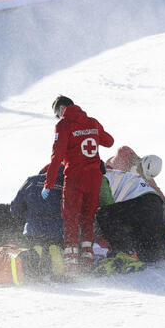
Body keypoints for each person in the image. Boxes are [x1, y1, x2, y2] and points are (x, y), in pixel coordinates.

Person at [43, 95, 114, 275]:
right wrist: (92, 132)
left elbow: (57, 156)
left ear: (61, 109)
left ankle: (71, 261)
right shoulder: (92, 122)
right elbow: (109, 141)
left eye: (56, 114)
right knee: (87, 217)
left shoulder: (63, 125)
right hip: (94, 178)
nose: (58, 117)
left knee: (71, 217)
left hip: (75, 177)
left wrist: (48, 183)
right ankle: (87, 258)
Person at [96, 167, 165, 263]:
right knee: (148, 256)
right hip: (154, 203)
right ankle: (158, 252)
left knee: (104, 214)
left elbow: (107, 208)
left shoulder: (99, 177)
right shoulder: (110, 173)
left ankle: (124, 253)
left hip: (141, 201)